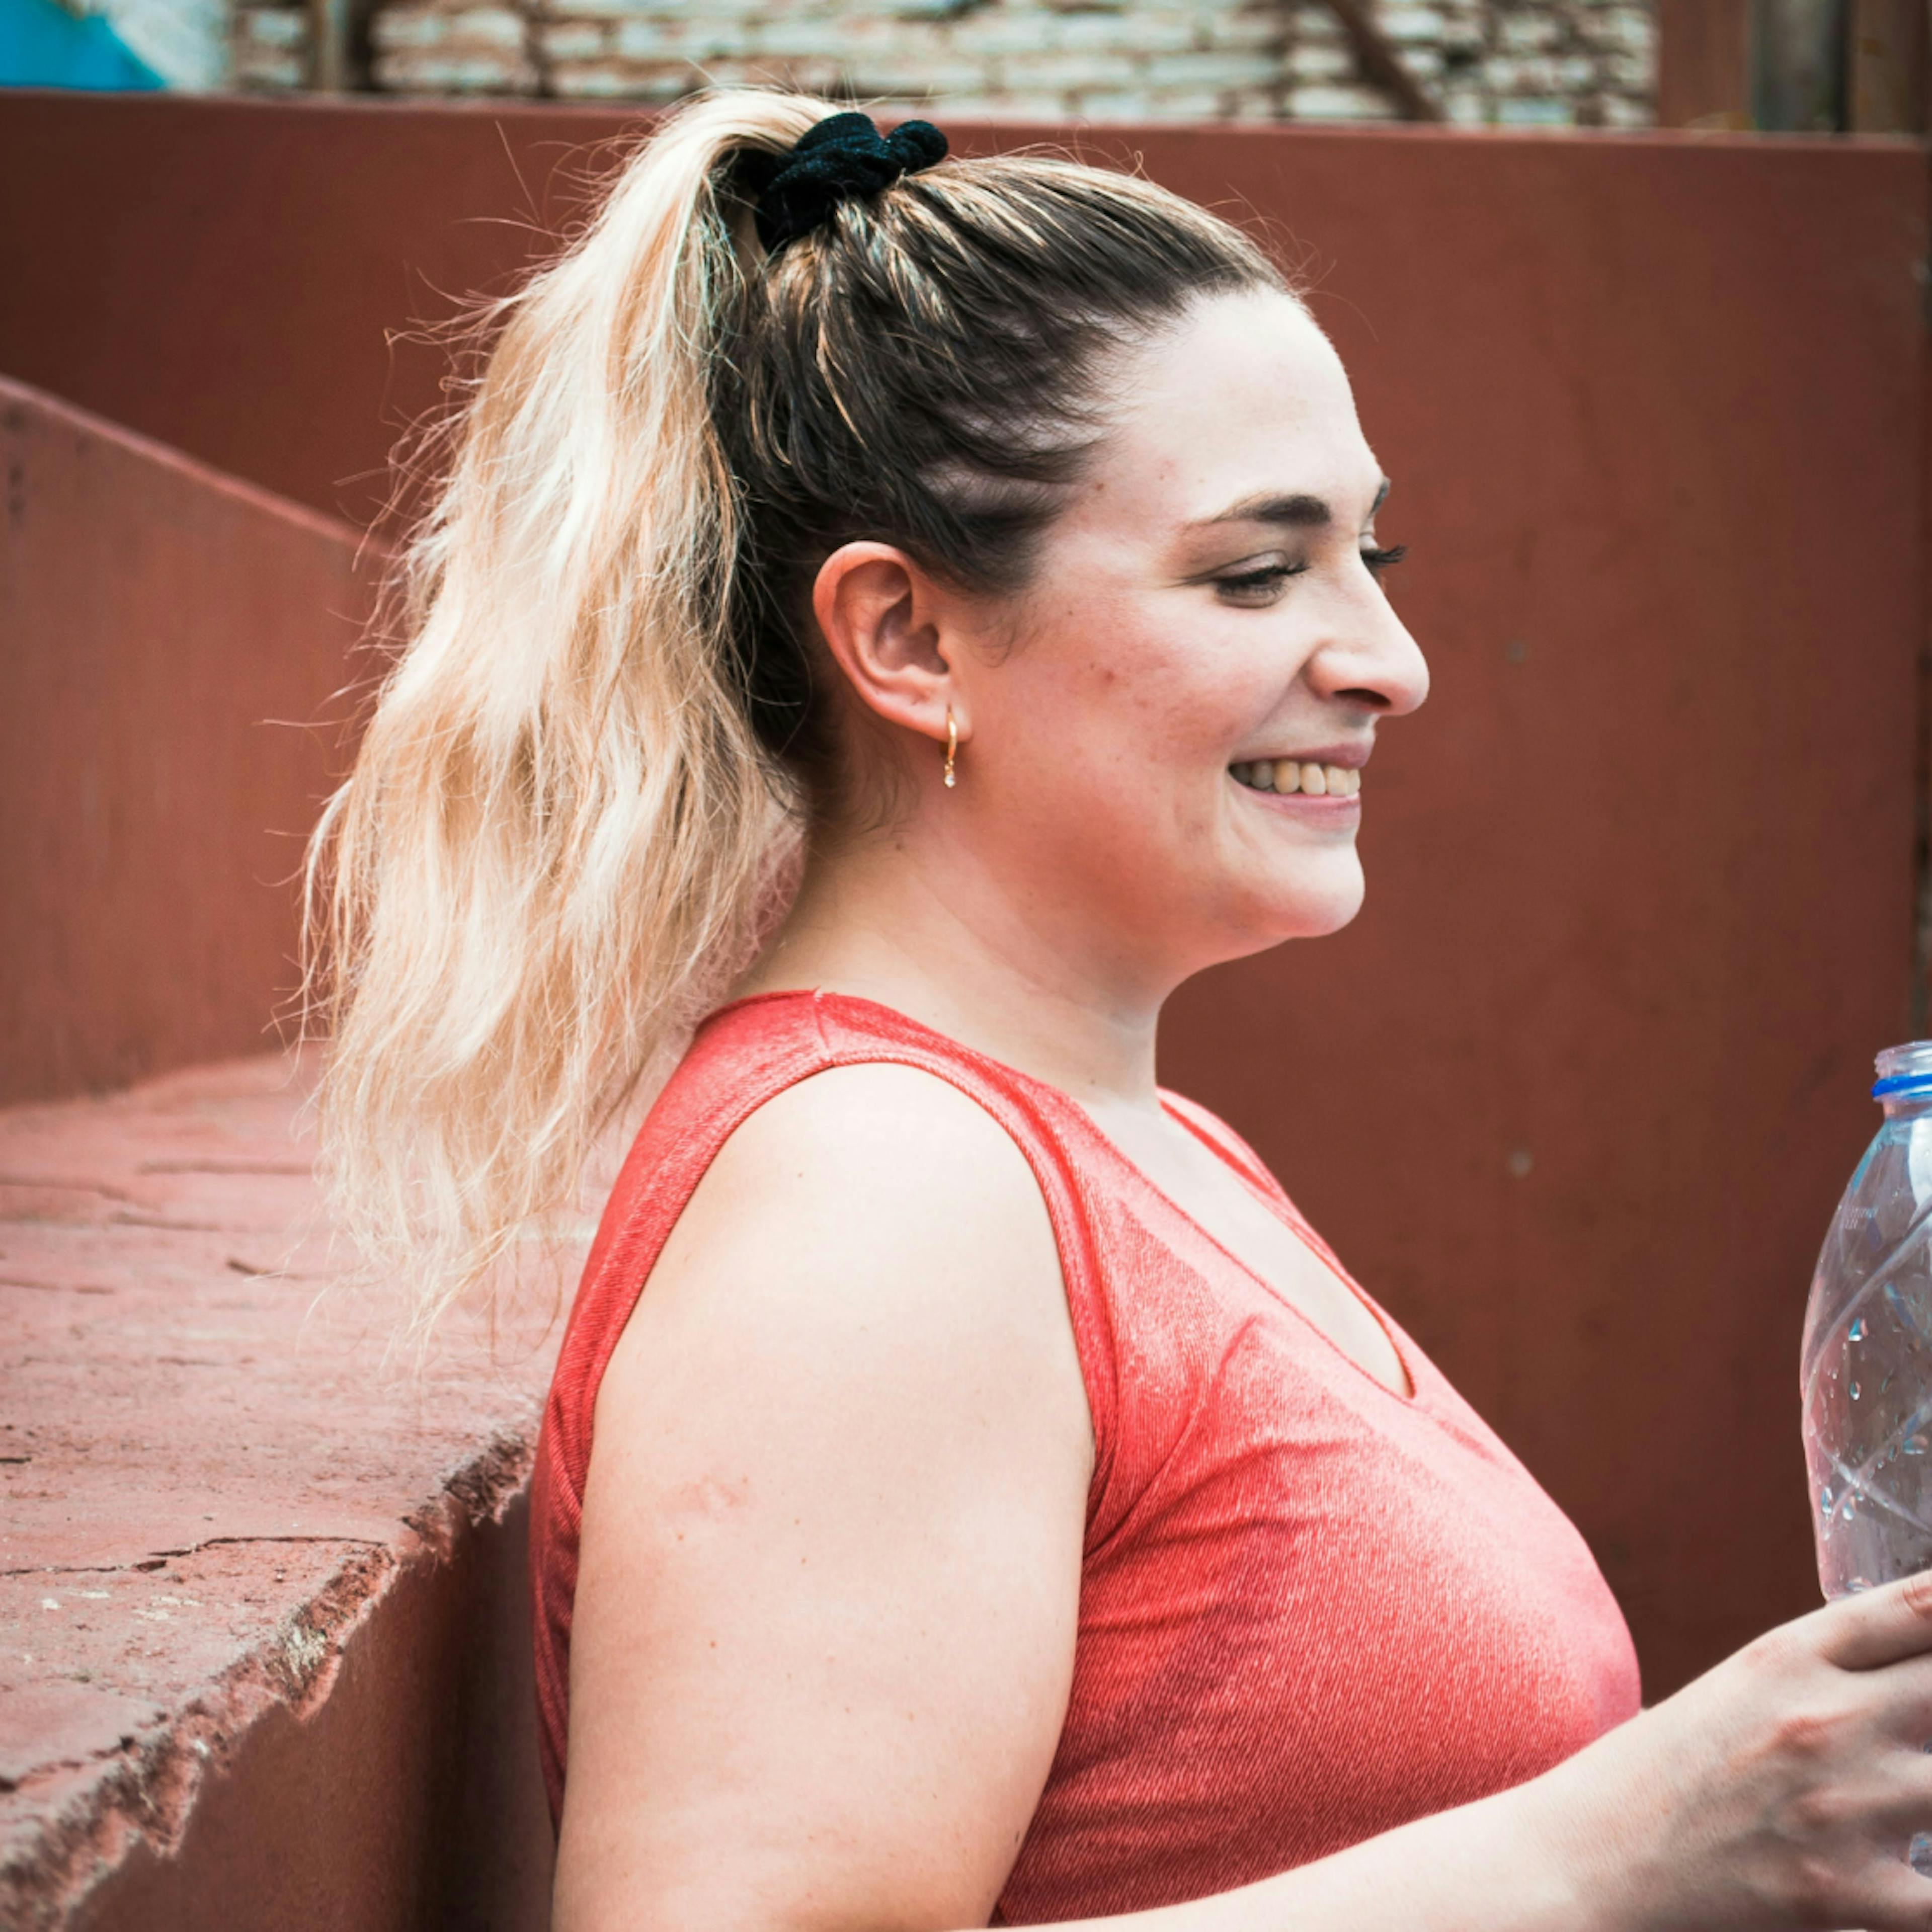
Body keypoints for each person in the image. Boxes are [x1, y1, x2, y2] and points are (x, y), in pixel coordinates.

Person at [308, 89, 1932, 1932]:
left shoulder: (1133, 1147)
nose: (1388, 664)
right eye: (1256, 571)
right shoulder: (883, 1196)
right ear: (908, 642)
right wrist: (1604, 1857)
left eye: (1369, 563)